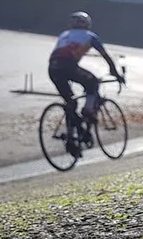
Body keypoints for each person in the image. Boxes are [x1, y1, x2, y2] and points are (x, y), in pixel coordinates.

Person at [48, 11, 125, 157]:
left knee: (71, 103)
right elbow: (106, 56)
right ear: (88, 24)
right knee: (93, 82)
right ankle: (88, 110)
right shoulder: (90, 36)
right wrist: (115, 73)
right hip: (68, 66)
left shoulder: (64, 34)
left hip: (53, 68)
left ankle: (72, 138)